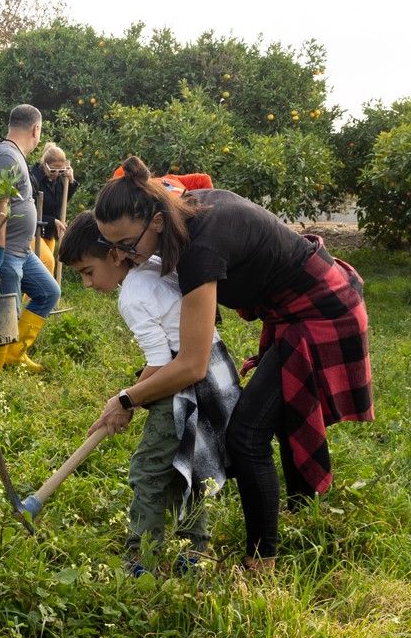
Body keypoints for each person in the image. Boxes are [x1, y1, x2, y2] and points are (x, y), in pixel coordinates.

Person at [88, 156, 373, 574]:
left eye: (127, 245)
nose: (124, 255)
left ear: (156, 222)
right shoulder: (181, 211)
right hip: (294, 308)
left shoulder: (200, 248)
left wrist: (127, 400)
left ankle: (261, 565)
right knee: (259, 424)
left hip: (324, 312)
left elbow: (191, 365)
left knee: (247, 436)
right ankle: (282, 529)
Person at [59, 211, 239, 575]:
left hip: (184, 387)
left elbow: (161, 363)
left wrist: (125, 400)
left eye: (87, 272)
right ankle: (194, 553)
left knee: (147, 470)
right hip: (217, 375)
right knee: (187, 466)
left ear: (113, 255)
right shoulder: (154, 265)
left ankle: (142, 559)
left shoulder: (132, 297)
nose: (87, 284)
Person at [0, 104, 60, 373]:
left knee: (48, 292)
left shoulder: (14, 155)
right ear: (36, 129)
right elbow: (0, 204)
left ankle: (14, 354)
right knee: (5, 312)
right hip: (4, 248)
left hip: (20, 250)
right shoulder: (6, 156)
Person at [30, 143, 74, 246]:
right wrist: (52, 221)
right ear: (44, 165)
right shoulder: (33, 179)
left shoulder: (57, 179)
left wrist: (71, 182)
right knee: (47, 261)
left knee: (49, 262)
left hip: (50, 233)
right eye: (53, 170)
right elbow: (29, 211)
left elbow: (62, 202)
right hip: (34, 232)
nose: (57, 174)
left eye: (61, 170)